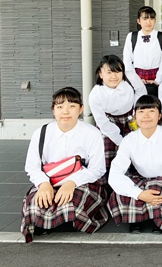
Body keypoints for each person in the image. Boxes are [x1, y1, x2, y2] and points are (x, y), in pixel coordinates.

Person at [21, 87, 108, 242]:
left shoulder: (92, 133)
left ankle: (58, 223)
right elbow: (32, 166)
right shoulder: (41, 133)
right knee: (35, 202)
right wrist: (43, 184)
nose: (65, 111)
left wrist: (72, 183)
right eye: (60, 107)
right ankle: (55, 222)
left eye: (72, 106)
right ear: (53, 110)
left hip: (82, 181)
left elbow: (98, 168)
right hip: (50, 179)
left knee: (72, 201)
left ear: (81, 109)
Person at [108, 95, 162, 235]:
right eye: (141, 111)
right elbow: (115, 173)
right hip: (141, 180)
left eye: (151, 111)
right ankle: (138, 219)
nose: (146, 116)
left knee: (158, 187)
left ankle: (158, 219)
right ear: (135, 116)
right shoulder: (129, 140)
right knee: (120, 190)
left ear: (159, 115)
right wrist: (139, 194)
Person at [89, 55, 146, 170]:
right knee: (105, 150)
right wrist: (120, 142)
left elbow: (141, 92)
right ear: (100, 74)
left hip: (131, 116)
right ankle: (108, 177)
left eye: (117, 71)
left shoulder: (131, 78)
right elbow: (103, 122)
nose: (114, 76)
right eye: (109, 72)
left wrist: (136, 112)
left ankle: (137, 174)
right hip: (109, 121)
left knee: (140, 145)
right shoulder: (95, 95)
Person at [123, 6, 162, 96]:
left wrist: (157, 80)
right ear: (139, 21)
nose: (148, 22)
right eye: (145, 19)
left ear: (155, 20)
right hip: (137, 76)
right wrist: (136, 80)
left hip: (158, 76)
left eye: (151, 18)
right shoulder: (131, 36)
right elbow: (127, 61)